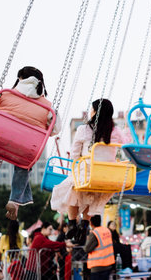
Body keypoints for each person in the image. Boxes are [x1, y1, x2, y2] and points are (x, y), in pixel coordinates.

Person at [0, 66, 61, 220]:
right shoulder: (48, 106)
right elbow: (55, 129)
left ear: (20, 78)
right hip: (26, 147)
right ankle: (14, 201)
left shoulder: (7, 93)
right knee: (23, 166)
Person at [51, 99, 130, 244]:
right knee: (92, 194)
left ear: (95, 112)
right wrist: (127, 126)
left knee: (73, 188)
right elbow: (128, 142)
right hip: (107, 175)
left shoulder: (83, 129)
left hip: (87, 172)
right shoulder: (115, 131)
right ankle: (85, 224)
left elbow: (75, 154)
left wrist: (78, 162)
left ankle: (72, 223)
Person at [83, 215, 115, 280]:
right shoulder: (107, 230)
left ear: (91, 222)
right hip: (108, 264)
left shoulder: (94, 233)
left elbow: (87, 249)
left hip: (97, 266)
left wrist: (88, 238)